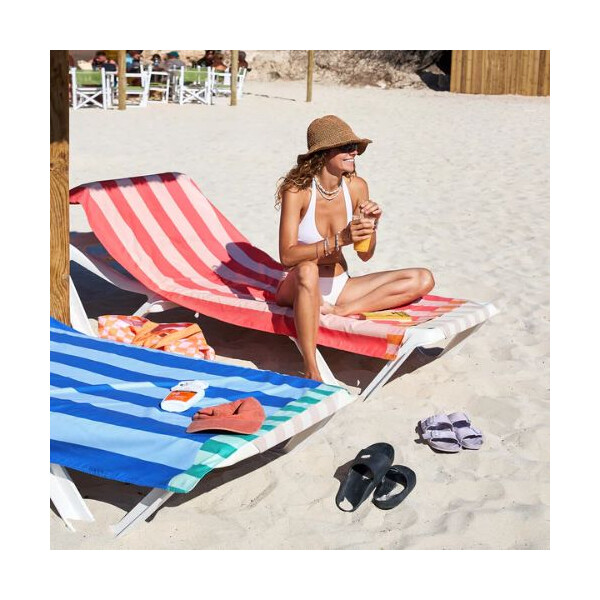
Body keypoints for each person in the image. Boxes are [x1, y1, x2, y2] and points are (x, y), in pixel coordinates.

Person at [274, 115, 435, 381]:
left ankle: (341, 310)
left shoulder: (357, 187)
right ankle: (311, 368)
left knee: (423, 278)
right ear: (324, 153)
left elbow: (365, 254)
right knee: (307, 270)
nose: (354, 152)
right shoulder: (298, 192)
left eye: (355, 147)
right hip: (300, 284)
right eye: (347, 147)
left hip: (341, 286)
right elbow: (286, 256)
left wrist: (371, 226)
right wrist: (339, 240)